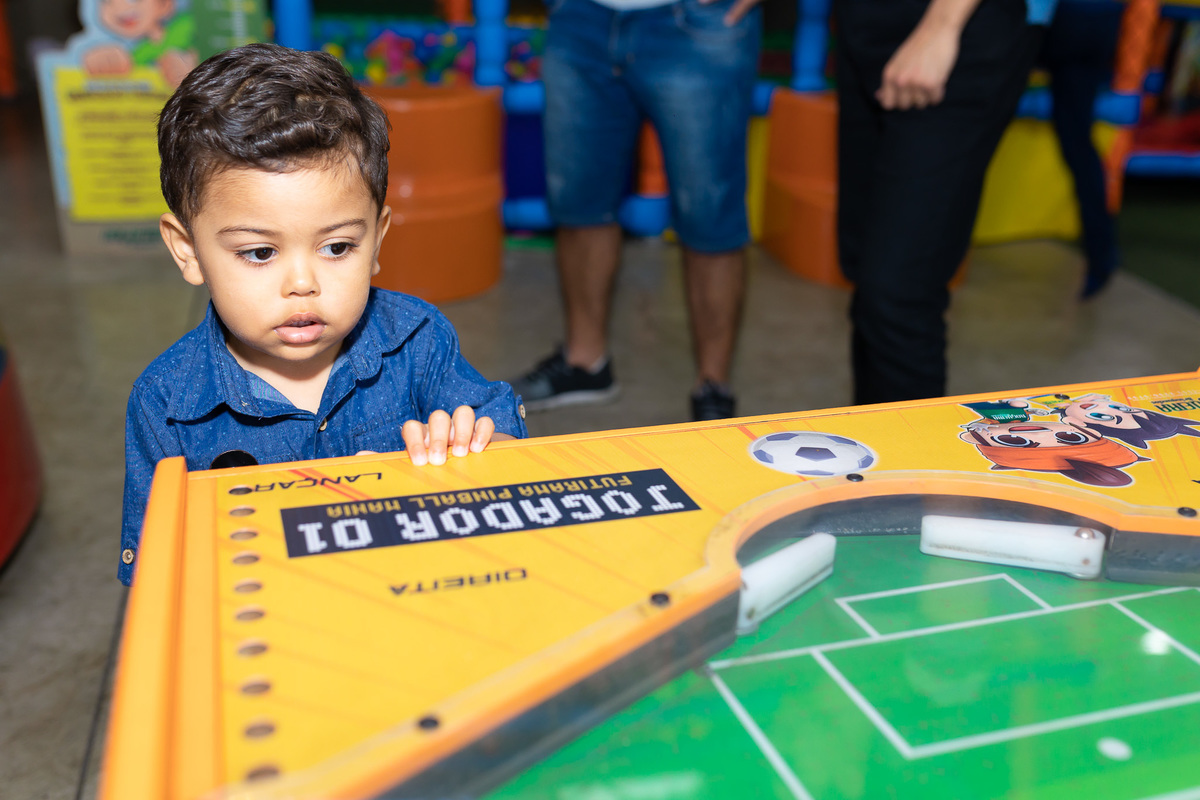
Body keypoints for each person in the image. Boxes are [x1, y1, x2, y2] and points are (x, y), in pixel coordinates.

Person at [119, 43, 527, 585]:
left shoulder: (419, 340)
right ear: (188, 250)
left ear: (376, 239)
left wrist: (479, 448)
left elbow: (507, 450)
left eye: (337, 247)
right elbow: (159, 571)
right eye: (259, 252)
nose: (303, 283)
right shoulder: (166, 403)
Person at [510, 0, 763, 421]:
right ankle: (585, 364)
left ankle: (713, 387)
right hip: (579, 16)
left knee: (710, 215)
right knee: (579, 201)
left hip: (699, 22)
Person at [835, 0, 1046, 405]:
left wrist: (941, 26)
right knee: (866, 277)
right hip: (864, 26)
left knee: (899, 292)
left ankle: (909, 445)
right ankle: (875, 434)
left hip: (958, 30)